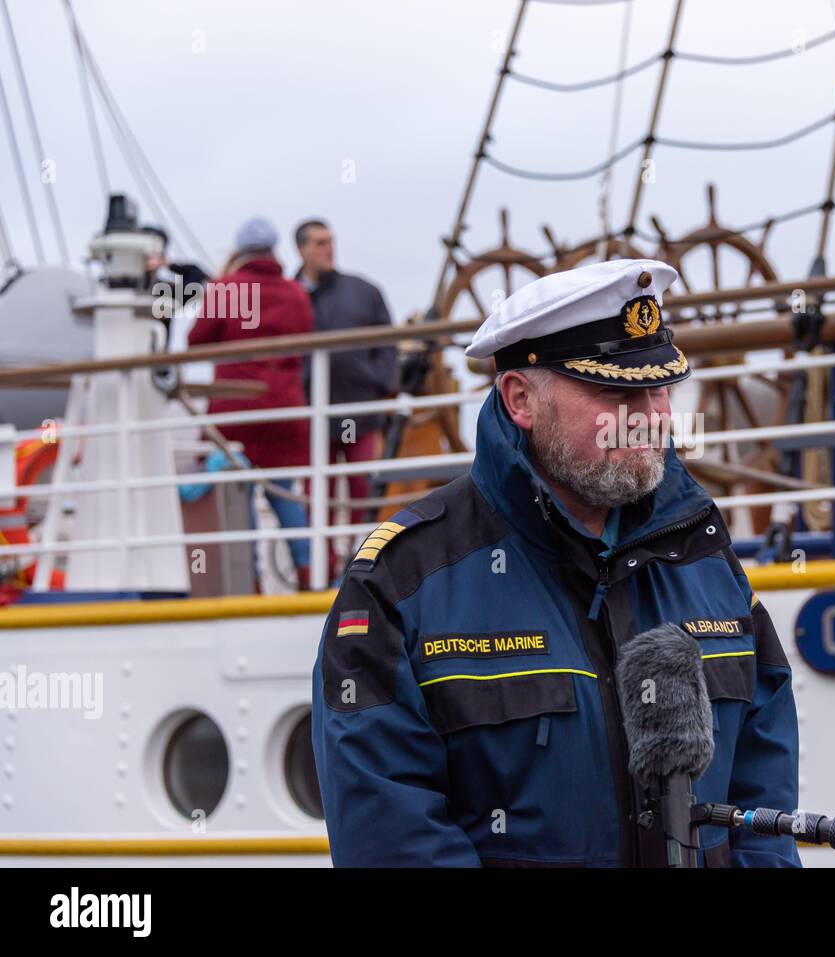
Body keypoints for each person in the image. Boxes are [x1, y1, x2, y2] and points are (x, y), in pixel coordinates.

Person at [311, 259, 800, 867]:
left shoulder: (703, 556)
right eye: (615, 391)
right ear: (520, 399)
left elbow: (763, 801)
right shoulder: (402, 583)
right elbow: (390, 837)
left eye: (658, 387)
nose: (648, 415)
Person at [187, 217, 314, 592]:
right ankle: (309, 575)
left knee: (240, 496)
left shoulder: (228, 289)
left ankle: (254, 582)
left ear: (240, 251)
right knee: (283, 492)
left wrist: (223, 277)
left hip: (237, 408)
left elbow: (197, 340)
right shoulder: (295, 292)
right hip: (284, 408)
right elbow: (306, 337)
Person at [293, 219, 397, 566]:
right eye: (320, 242)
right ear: (302, 249)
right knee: (314, 497)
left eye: (331, 241)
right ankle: (317, 568)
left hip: (359, 410)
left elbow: (387, 342)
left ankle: (360, 565)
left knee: (362, 493)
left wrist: (381, 382)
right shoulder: (290, 296)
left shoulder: (363, 291)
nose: (329, 248)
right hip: (310, 415)